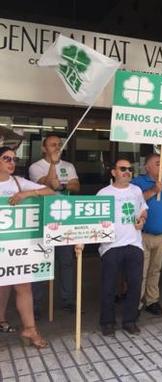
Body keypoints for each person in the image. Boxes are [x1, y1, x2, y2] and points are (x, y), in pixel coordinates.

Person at [0, 146, 54, 348]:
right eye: (6, 158)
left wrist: (27, 194)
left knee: (23, 285)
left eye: (14, 159)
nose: (12, 162)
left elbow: (50, 190)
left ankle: (30, 329)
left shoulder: (17, 182)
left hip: (15, 245)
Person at [29, 135, 80, 315]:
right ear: (44, 148)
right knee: (42, 263)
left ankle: (67, 300)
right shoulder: (35, 167)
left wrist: (63, 184)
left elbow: (76, 186)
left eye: (59, 145)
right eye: (52, 145)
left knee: (66, 262)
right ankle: (36, 305)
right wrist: (53, 165)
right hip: (43, 221)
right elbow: (47, 184)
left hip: (64, 221)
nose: (57, 147)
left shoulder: (69, 166)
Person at [97, 159, 147, 336]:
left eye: (130, 169)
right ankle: (107, 322)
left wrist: (142, 219)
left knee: (134, 285)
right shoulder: (103, 193)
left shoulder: (136, 190)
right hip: (111, 246)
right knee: (108, 286)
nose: (127, 172)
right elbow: (95, 221)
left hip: (134, 244)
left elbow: (143, 210)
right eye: (122, 169)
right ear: (113, 172)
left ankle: (130, 320)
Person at [131, 153, 162, 316]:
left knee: (155, 269)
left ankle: (152, 300)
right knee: (140, 271)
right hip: (142, 235)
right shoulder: (138, 182)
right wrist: (153, 190)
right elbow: (131, 203)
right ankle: (135, 303)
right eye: (157, 163)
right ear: (147, 167)